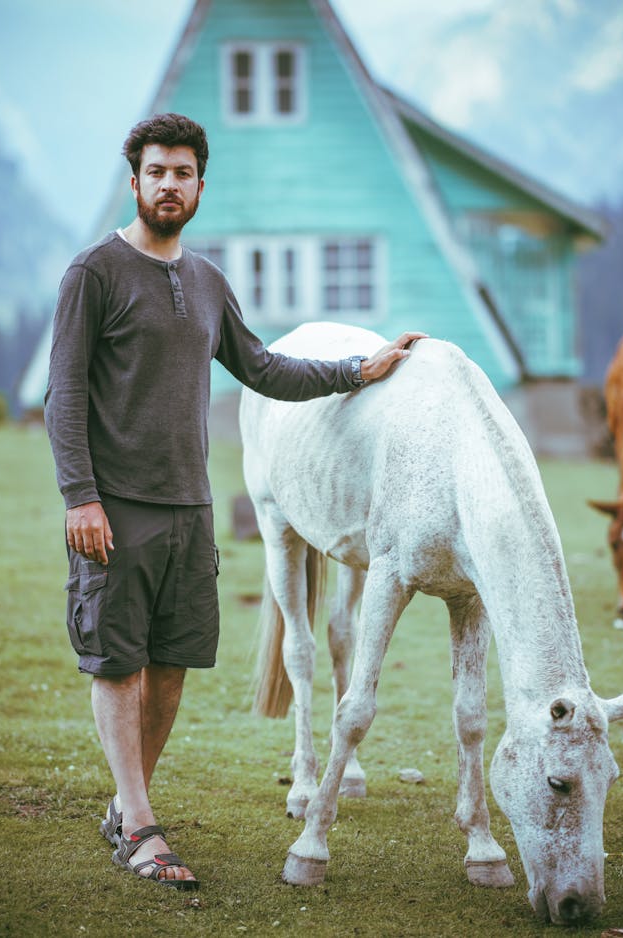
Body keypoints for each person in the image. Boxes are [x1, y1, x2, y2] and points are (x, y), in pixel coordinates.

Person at [44, 112, 426, 890]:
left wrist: (358, 369)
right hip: (114, 509)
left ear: (199, 185)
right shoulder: (95, 273)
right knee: (117, 665)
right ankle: (142, 825)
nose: (169, 185)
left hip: (190, 507)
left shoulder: (209, 281)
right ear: (136, 181)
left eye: (182, 173)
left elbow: (264, 368)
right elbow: (62, 395)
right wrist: (81, 497)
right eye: (157, 172)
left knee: (173, 665)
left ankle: (128, 805)